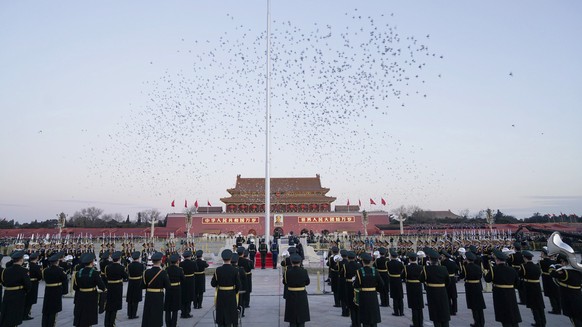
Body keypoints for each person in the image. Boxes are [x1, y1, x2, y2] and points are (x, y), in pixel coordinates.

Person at [484, 249, 522, 327]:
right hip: (511, 293)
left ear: (497, 260)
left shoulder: (494, 269)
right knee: (512, 312)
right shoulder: (512, 269)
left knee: (504, 314)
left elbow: (487, 279)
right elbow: (517, 284)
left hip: (499, 293)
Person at [73, 252, 106, 327]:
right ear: (91, 262)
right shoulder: (94, 273)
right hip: (91, 296)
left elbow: (75, 287)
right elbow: (101, 286)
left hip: (81, 296)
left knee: (81, 314)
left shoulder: (78, 273)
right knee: (89, 315)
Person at [419, 248, 450, 327]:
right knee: (444, 311)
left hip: (432, 292)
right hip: (442, 291)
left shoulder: (426, 269)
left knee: (435, 313)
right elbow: (448, 281)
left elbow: (421, 279)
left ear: (429, 259)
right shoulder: (444, 268)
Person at [0, 251, 31, 327]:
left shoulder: (5, 270)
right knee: (15, 315)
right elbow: (28, 285)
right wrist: (25, 291)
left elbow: (3, 282)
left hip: (7, 294)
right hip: (18, 295)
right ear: (21, 260)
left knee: (7, 313)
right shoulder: (24, 271)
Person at [549, 253, 582, 326]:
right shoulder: (578, 270)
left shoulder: (565, 272)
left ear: (564, 262)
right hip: (578, 296)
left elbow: (552, 273)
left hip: (570, 298)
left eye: (561, 262)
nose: (561, 264)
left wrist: (552, 267)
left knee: (575, 319)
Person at [211, 249, 241, 327]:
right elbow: (238, 285)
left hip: (221, 294)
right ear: (231, 258)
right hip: (231, 294)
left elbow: (213, 284)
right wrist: (235, 291)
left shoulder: (218, 270)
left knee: (221, 313)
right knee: (231, 313)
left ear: (222, 258)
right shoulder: (235, 270)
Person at [141, 252, 171, 327]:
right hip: (158, 295)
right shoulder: (163, 273)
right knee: (157, 313)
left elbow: (142, 286)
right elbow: (168, 286)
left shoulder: (146, 272)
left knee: (148, 313)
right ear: (161, 261)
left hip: (149, 295)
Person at [354, 253, 383, 327]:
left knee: (365, 315)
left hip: (363, 295)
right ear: (370, 262)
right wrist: (376, 289)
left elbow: (356, 285)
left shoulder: (359, 271)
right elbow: (381, 284)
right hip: (373, 295)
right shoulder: (375, 271)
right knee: (373, 314)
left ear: (362, 262)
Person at [283, 254, 310, 327]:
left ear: (291, 263)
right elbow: (307, 282)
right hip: (301, 294)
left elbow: (285, 282)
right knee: (301, 312)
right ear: (300, 262)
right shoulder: (304, 271)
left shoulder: (287, 272)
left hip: (291, 293)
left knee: (292, 313)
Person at [41, 254, 69, 327]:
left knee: (46, 309)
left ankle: (44, 324)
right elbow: (64, 280)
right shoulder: (60, 270)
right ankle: (51, 324)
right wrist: (65, 291)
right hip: (56, 290)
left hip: (48, 290)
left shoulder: (45, 270)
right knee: (54, 310)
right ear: (57, 262)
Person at [520, 250, 546, 327]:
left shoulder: (524, 266)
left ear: (524, 258)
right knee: (540, 305)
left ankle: (538, 322)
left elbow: (520, 275)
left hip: (529, 286)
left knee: (533, 306)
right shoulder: (537, 266)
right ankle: (543, 321)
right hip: (537, 286)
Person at [460, 251, 486, 327]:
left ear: (467, 259)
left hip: (470, 286)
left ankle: (477, 322)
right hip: (478, 285)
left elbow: (462, 276)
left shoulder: (466, 267)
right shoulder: (478, 267)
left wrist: (463, 265)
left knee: (473, 306)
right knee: (479, 306)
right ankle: (482, 322)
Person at [104, 251, 128, 327]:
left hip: (110, 286)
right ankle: (112, 323)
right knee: (115, 306)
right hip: (117, 287)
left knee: (109, 305)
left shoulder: (107, 267)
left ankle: (107, 323)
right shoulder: (121, 267)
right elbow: (125, 276)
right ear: (119, 259)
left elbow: (106, 276)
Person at [403, 252, 424, 327]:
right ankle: (420, 322)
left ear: (409, 259)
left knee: (414, 306)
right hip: (418, 286)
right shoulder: (421, 267)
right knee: (419, 306)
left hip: (411, 287)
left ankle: (415, 323)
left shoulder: (406, 267)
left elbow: (403, 276)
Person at [165, 254, 185, 327]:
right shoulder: (179, 270)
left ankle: (168, 324)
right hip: (176, 289)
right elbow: (183, 279)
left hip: (168, 289)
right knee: (175, 309)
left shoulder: (167, 269)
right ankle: (173, 324)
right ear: (177, 261)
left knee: (167, 308)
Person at [539, 248, 560, 314]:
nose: (540, 254)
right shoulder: (554, 262)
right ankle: (559, 308)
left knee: (551, 295)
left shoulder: (541, 262)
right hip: (554, 279)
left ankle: (555, 309)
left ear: (544, 254)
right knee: (556, 294)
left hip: (547, 279)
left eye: (541, 253)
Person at [126, 251, 145, 319]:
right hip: (138, 282)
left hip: (131, 282)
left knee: (130, 298)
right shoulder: (141, 265)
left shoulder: (129, 265)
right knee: (136, 299)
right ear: (138, 258)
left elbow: (128, 273)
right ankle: (134, 313)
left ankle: (129, 313)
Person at [24, 252, 42, 320]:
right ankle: (26, 314)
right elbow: (39, 276)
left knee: (26, 299)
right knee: (30, 300)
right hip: (33, 283)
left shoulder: (26, 265)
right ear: (37, 258)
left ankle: (24, 313)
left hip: (26, 282)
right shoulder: (36, 266)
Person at [440, 250, 459, 316]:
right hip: (453, 279)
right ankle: (454, 310)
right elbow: (457, 268)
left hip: (446, 279)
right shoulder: (452, 262)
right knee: (453, 295)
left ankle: (449, 310)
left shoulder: (443, 263)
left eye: (442, 256)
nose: (441, 257)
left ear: (444, 256)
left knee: (448, 295)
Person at [345, 251, 362, 326]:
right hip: (357, 286)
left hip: (349, 285)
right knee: (357, 305)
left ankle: (353, 322)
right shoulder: (358, 266)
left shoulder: (346, 265)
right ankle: (358, 322)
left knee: (351, 306)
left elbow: (343, 275)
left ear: (348, 258)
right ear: (355, 258)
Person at [180, 250, 198, 318]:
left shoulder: (181, 264)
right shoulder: (193, 263)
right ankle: (187, 312)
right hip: (191, 280)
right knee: (189, 297)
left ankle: (182, 312)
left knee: (183, 296)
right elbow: (196, 269)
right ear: (190, 256)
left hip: (183, 280)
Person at [387, 249, 404, 316]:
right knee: (400, 296)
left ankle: (396, 311)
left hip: (392, 280)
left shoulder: (388, 263)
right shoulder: (400, 263)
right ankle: (401, 311)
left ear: (391, 256)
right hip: (398, 279)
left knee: (395, 297)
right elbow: (402, 270)